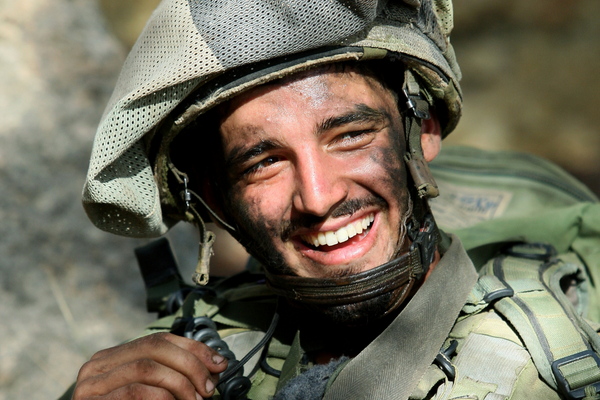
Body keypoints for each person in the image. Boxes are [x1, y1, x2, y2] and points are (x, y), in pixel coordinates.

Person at [65, 1, 600, 399]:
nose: (319, 198)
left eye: (349, 136)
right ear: (216, 199)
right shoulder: (191, 359)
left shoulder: (575, 339)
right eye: (263, 162)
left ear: (424, 128)